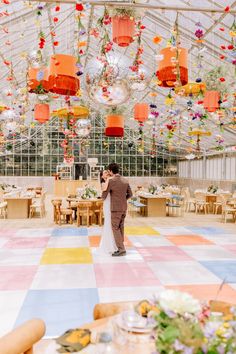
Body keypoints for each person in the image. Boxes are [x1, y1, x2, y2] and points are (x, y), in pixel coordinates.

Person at [102, 163, 133, 257]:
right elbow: (130, 194)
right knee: (121, 227)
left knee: (115, 228)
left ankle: (121, 249)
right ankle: (120, 245)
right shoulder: (125, 180)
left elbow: (104, 196)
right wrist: (123, 199)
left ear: (111, 171)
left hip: (115, 209)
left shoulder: (111, 181)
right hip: (124, 208)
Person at [98, 170, 117, 254]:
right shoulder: (103, 183)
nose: (107, 173)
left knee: (111, 223)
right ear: (102, 176)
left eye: (107, 172)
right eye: (105, 173)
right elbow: (105, 188)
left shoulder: (111, 181)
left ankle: (113, 243)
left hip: (112, 203)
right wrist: (109, 178)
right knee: (108, 222)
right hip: (107, 204)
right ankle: (108, 245)